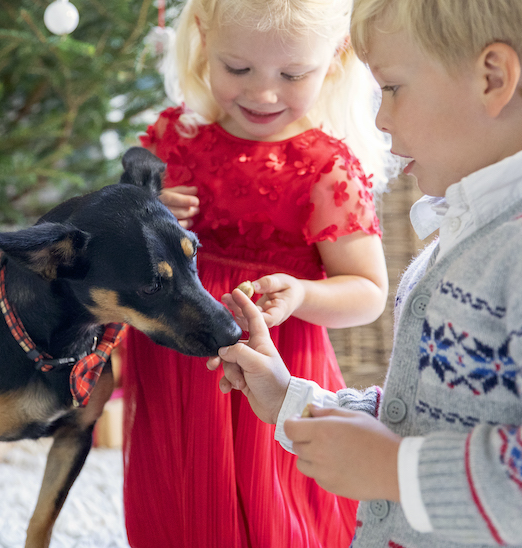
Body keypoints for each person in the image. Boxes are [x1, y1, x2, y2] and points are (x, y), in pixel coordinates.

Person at [210, 0, 522, 546]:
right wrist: (292, 398)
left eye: (393, 88)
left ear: (492, 78)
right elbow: (423, 416)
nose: (380, 118)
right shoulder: (462, 236)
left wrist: (395, 470)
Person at [121, 0, 393, 546]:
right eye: (238, 68)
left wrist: (302, 294)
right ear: (202, 39)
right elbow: (116, 237)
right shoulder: (173, 136)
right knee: (171, 491)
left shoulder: (326, 165)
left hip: (270, 360)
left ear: (334, 60)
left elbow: (369, 292)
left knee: (276, 506)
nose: (262, 93)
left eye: (292, 75)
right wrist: (144, 216)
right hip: (175, 351)